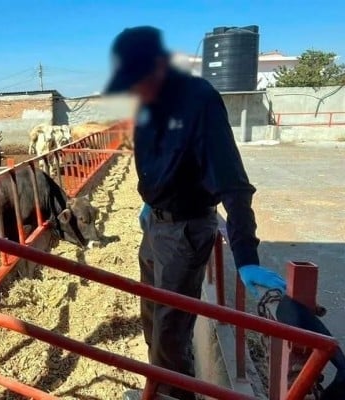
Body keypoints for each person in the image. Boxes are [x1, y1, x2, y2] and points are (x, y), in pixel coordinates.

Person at [103, 26, 287, 400]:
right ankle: (158, 388)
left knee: (171, 333)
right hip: (155, 223)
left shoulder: (199, 100)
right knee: (152, 317)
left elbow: (233, 184)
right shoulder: (148, 104)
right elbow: (159, 159)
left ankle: (172, 394)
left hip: (185, 230)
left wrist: (246, 256)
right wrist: (152, 198)